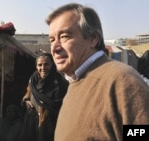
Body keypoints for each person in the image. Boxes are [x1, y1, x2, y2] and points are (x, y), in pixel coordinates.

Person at [46, 3, 149, 141]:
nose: (55, 47)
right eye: (52, 40)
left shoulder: (120, 80)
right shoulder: (76, 81)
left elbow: (140, 133)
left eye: (64, 36)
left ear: (93, 39)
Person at [19, 53, 69, 141]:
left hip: (50, 123)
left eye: (46, 64)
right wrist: (27, 99)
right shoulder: (33, 79)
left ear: (52, 65)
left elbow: (65, 105)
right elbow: (28, 91)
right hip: (31, 120)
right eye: (40, 65)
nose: (43, 68)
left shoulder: (60, 83)